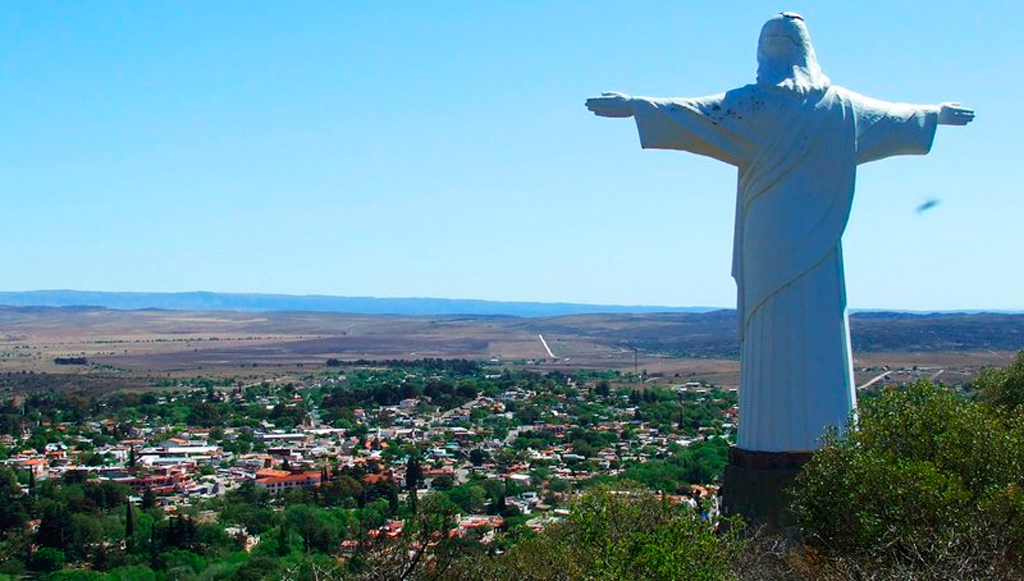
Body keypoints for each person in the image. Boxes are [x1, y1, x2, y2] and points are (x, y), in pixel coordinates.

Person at [586, 13, 974, 452]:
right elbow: (693, 114)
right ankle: (799, 445)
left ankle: (790, 445)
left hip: (782, 239)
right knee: (778, 323)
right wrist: (638, 105)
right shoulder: (826, 108)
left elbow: (693, 115)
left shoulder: (782, 106)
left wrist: (935, 115)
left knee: (804, 322)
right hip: (782, 240)